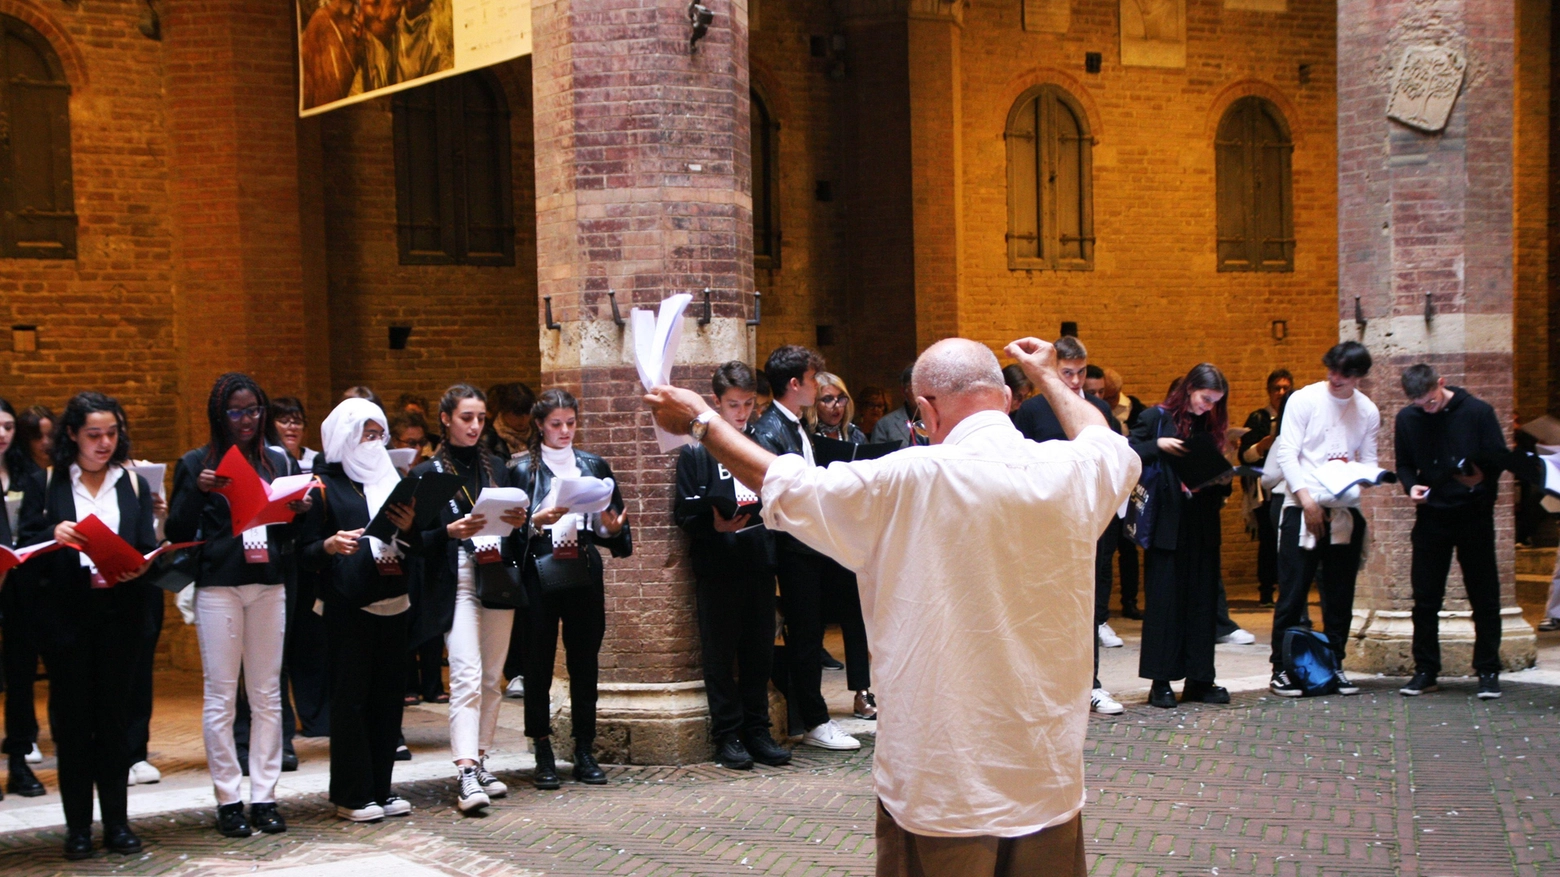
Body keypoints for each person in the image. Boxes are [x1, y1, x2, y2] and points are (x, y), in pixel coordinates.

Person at [644, 337, 1138, 876]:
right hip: (1046, 776)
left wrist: (701, 422)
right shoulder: (1074, 470)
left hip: (944, 783)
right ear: (1006, 398)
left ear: (924, 409)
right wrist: (1044, 373)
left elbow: (787, 485)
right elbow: (1103, 437)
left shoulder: (909, 479)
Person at [16, 392, 159, 859]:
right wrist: (51, 535)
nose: (103, 443)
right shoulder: (49, 481)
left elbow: (143, 544)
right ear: (72, 434)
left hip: (120, 614)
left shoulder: (132, 483)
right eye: (94, 434)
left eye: (112, 434)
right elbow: (27, 550)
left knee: (115, 723)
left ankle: (117, 824)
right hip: (68, 619)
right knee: (73, 725)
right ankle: (77, 828)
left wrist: (143, 562)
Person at [167, 374, 310, 838]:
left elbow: (288, 533)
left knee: (268, 694)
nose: (246, 420)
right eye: (235, 412)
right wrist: (199, 490)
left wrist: (299, 509)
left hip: (268, 582)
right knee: (221, 697)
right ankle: (229, 798)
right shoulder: (196, 463)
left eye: (253, 411)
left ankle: (264, 796)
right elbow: (178, 530)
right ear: (218, 415)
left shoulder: (277, 459)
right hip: (220, 587)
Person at [300, 398, 418, 822]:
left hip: (394, 596)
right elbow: (304, 551)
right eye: (365, 434)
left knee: (388, 699)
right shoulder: (323, 484)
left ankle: (381, 789)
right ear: (344, 436)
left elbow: (417, 542)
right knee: (351, 700)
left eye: (378, 434)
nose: (373, 442)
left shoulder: (393, 478)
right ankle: (352, 793)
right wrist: (330, 544)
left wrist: (410, 527)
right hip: (349, 603)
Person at [412, 385, 528, 812]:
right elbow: (413, 539)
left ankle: (481, 760)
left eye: (480, 418)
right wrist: (448, 531)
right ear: (445, 419)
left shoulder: (496, 466)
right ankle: (464, 771)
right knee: (464, 672)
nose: (475, 426)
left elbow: (517, 530)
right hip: (457, 575)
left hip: (496, 571)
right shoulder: (428, 473)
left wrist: (518, 521)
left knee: (491, 677)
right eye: (466, 418)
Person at [673, 362, 791, 770]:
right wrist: (713, 521)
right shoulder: (696, 451)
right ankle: (728, 735)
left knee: (759, 651)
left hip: (759, 560)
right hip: (718, 565)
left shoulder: (759, 446)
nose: (741, 413)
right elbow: (684, 512)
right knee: (720, 655)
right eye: (733, 405)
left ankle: (758, 730)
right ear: (716, 404)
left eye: (748, 404)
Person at [512, 389, 631, 790]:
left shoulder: (592, 464)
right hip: (539, 568)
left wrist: (608, 529)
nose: (565, 431)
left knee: (585, 661)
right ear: (540, 426)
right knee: (538, 661)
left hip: (580, 564)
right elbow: (509, 531)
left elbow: (607, 521)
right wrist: (536, 521)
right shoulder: (522, 469)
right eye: (556, 424)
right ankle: (542, 748)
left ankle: (584, 748)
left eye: (571, 423)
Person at [750, 345, 861, 750]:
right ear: (795, 384)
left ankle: (813, 716)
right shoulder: (769, 430)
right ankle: (814, 720)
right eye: (814, 380)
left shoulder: (795, 424)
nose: (819, 387)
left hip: (809, 545)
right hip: (793, 548)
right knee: (805, 633)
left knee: (812, 631)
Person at [1011, 336, 1126, 716]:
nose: (1075, 382)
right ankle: (1044, 685)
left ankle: (1089, 684)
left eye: (1080, 373)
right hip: (1047, 522)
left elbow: (1113, 461)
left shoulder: (1095, 409)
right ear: (1052, 369)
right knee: (1043, 605)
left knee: (1089, 605)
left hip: (1092, 520)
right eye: (1067, 373)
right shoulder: (1031, 411)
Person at [1268, 341, 1379, 698]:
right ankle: (1281, 668)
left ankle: (1335, 663)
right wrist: (1305, 499)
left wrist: (1362, 474)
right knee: (1293, 591)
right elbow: (1288, 452)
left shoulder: (1367, 411)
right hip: (1302, 504)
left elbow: (1369, 459)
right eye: (1331, 369)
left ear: (1359, 376)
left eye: (1344, 374)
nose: (1335, 378)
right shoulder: (1305, 399)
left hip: (1343, 508)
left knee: (1339, 593)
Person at [1394, 364, 1510, 699]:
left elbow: (1498, 460)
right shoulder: (1408, 418)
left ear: (1441, 384)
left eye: (1430, 402)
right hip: (1431, 515)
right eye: (1419, 405)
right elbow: (1403, 463)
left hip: (1473, 514)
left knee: (1484, 595)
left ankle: (1487, 670)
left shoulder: (1478, 412)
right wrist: (1411, 486)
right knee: (1425, 597)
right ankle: (1426, 670)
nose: (1426, 409)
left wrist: (1480, 479)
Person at [1130, 364, 1234, 708]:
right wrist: (1158, 445)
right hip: (1167, 523)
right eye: (1206, 398)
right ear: (1190, 389)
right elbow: (1128, 455)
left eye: (1216, 401)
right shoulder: (1155, 417)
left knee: (1203, 603)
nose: (1208, 407)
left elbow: (1217, 472)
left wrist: (1222, 478)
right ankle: (1161, 682)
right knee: (1164, 603)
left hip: (1202, 523)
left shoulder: (1211, 424)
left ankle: (1200, 678)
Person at [803, 373, 877, 720]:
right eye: (827, 399)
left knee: (856, 620)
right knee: (812, 621)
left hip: (851, 536)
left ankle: (863, 693)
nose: (836, 406)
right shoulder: (808, 438)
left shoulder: (856, 435)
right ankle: (811, 702)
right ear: (814, 404)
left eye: (841, 398)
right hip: (818, 538)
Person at [1, 397, 46, 798]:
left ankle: (19, 761)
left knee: (20, 677)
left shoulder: (28, 474)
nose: (2, 434)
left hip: (21, 586)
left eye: (8, 427)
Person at [1238, 369, 1293, 607]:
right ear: (1268, 391)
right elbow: (1244, 456)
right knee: (1268, 540)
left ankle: (1288, 588)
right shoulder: (1258, 419)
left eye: (1285, 388)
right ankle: (1266, 590)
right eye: (1276, 388)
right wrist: (1261, 446)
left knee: (1289, 540)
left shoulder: (1295, 416)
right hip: (1264, 489)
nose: (1281, 393)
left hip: (1290, 487)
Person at [870, 365, 918, 449]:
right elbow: (877, 459)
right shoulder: (885, 425)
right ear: (903, 391)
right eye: (915, 388)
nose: (921, 393)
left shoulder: (941, 420)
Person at [271, 397, 320, 473]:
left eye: (297, 422)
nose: (293, 427)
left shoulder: (316, 460)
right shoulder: (263, 461)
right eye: (284, 421)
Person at [17, 405, 55, 472]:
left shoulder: (67, 467)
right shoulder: (17, 472)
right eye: (37, 437)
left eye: (50, 435)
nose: (46, 442)